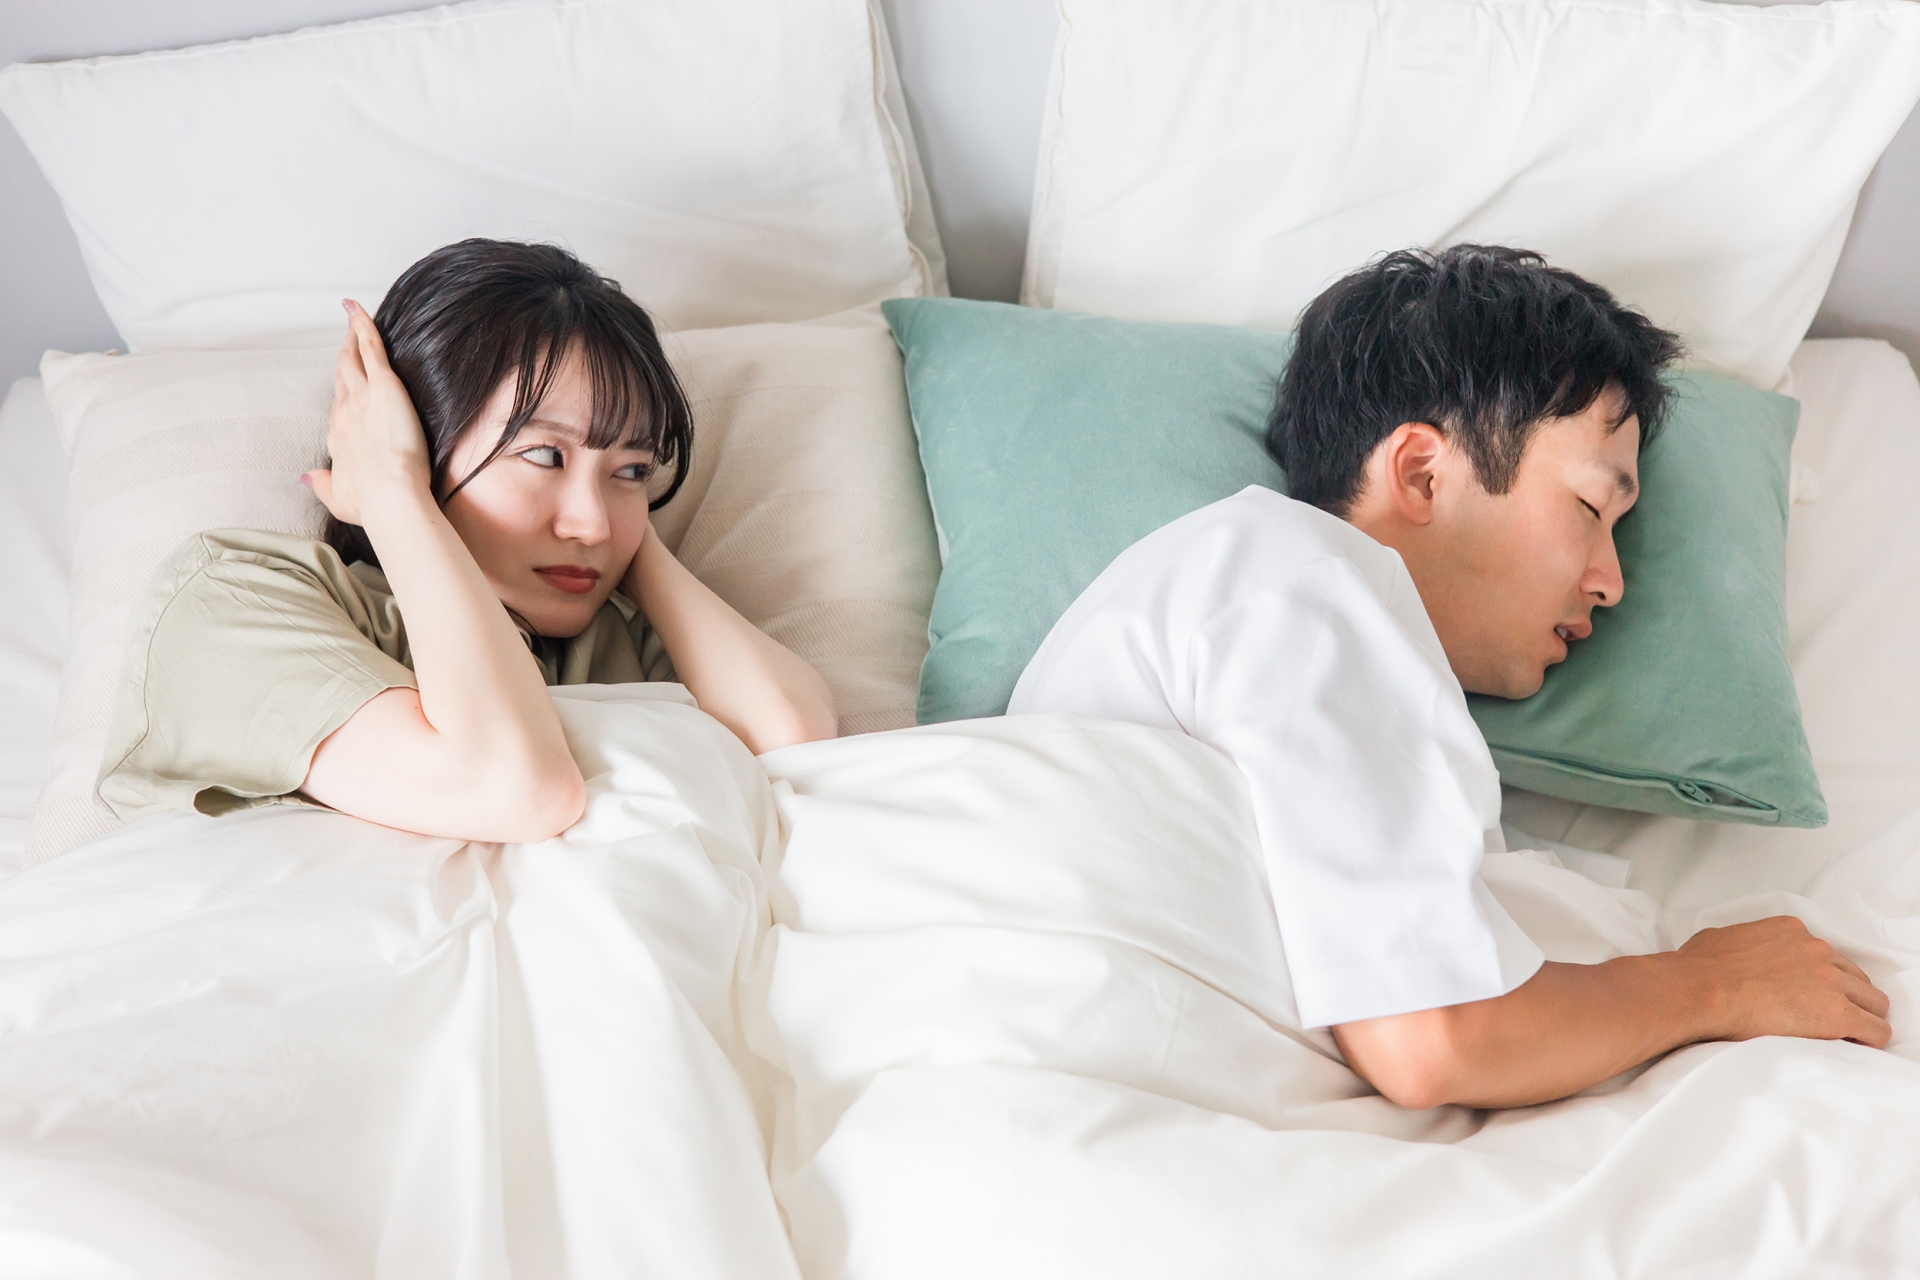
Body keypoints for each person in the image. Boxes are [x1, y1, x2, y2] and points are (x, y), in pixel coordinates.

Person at [1009, 245, 1890, 1110]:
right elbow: (1435, 1039)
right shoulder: (1298, 581)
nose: (1612, 582)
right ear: (1423, 474)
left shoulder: (1281, 605)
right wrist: (1713, 984)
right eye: (1590, 506)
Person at [97, 239, 836, 843]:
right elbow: (513, 787)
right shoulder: (233, 599)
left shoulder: (614, 640)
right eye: (543, 455)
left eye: (634, 470)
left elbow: (795, 740)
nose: (591, 524)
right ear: (417, 437)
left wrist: (630, 537)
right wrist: (393, 491)